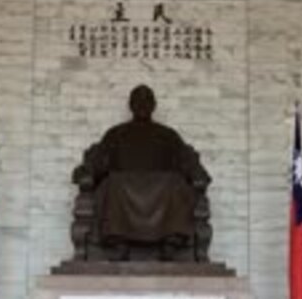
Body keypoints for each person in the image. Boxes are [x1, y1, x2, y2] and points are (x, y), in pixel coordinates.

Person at [76, 84, 210, 259]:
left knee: (174, 182)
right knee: (114, 182)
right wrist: (86, 171)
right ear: (131, 105)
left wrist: (198, 174)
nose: (142, 105)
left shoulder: (167, 135)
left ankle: (170, 241)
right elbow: (100, 159)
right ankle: (119, 240)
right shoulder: (116, 134)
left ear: (153, 105)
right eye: (137, 101)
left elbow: (186, 160)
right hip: (121, 189)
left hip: (163, 190)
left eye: (147, 101)